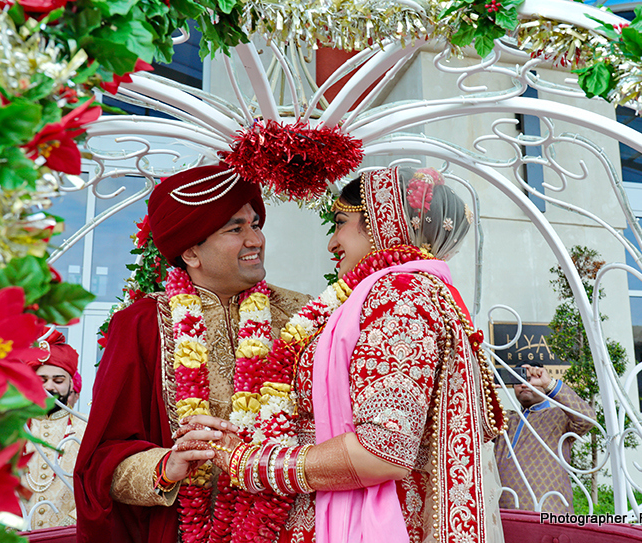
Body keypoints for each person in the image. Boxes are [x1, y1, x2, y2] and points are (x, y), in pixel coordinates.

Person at [180, 166, 504, 543]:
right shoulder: (382, 295)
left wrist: (248, 461)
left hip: (365, 524)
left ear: (385, 222)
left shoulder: (401, 295)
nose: (332, 244)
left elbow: (382, 451)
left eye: (340, 223)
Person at [73, 164, 310, 543]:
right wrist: (166, 466)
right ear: (191, 252)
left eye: (255, 224)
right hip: (186, 530)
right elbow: (100, 465)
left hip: (293, 525)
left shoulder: (304, 314)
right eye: (236, 229)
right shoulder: (142, 325)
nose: (255, 239)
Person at [494, 363, 595, 513]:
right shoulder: (505, 419)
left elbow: (588, 420)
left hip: (548, 513)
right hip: (503, 517)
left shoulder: (559, 416)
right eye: (519, 379)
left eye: (531, 379)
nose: (524, 384)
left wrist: (549, 384)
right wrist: (484, 392)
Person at [22, 328, 87, 530]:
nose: (49, 387)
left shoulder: (87, 427)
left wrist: (71, 524)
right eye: (42, 380)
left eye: (58, 381)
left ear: (70, 385)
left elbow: (99, 485)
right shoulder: (13, 425)